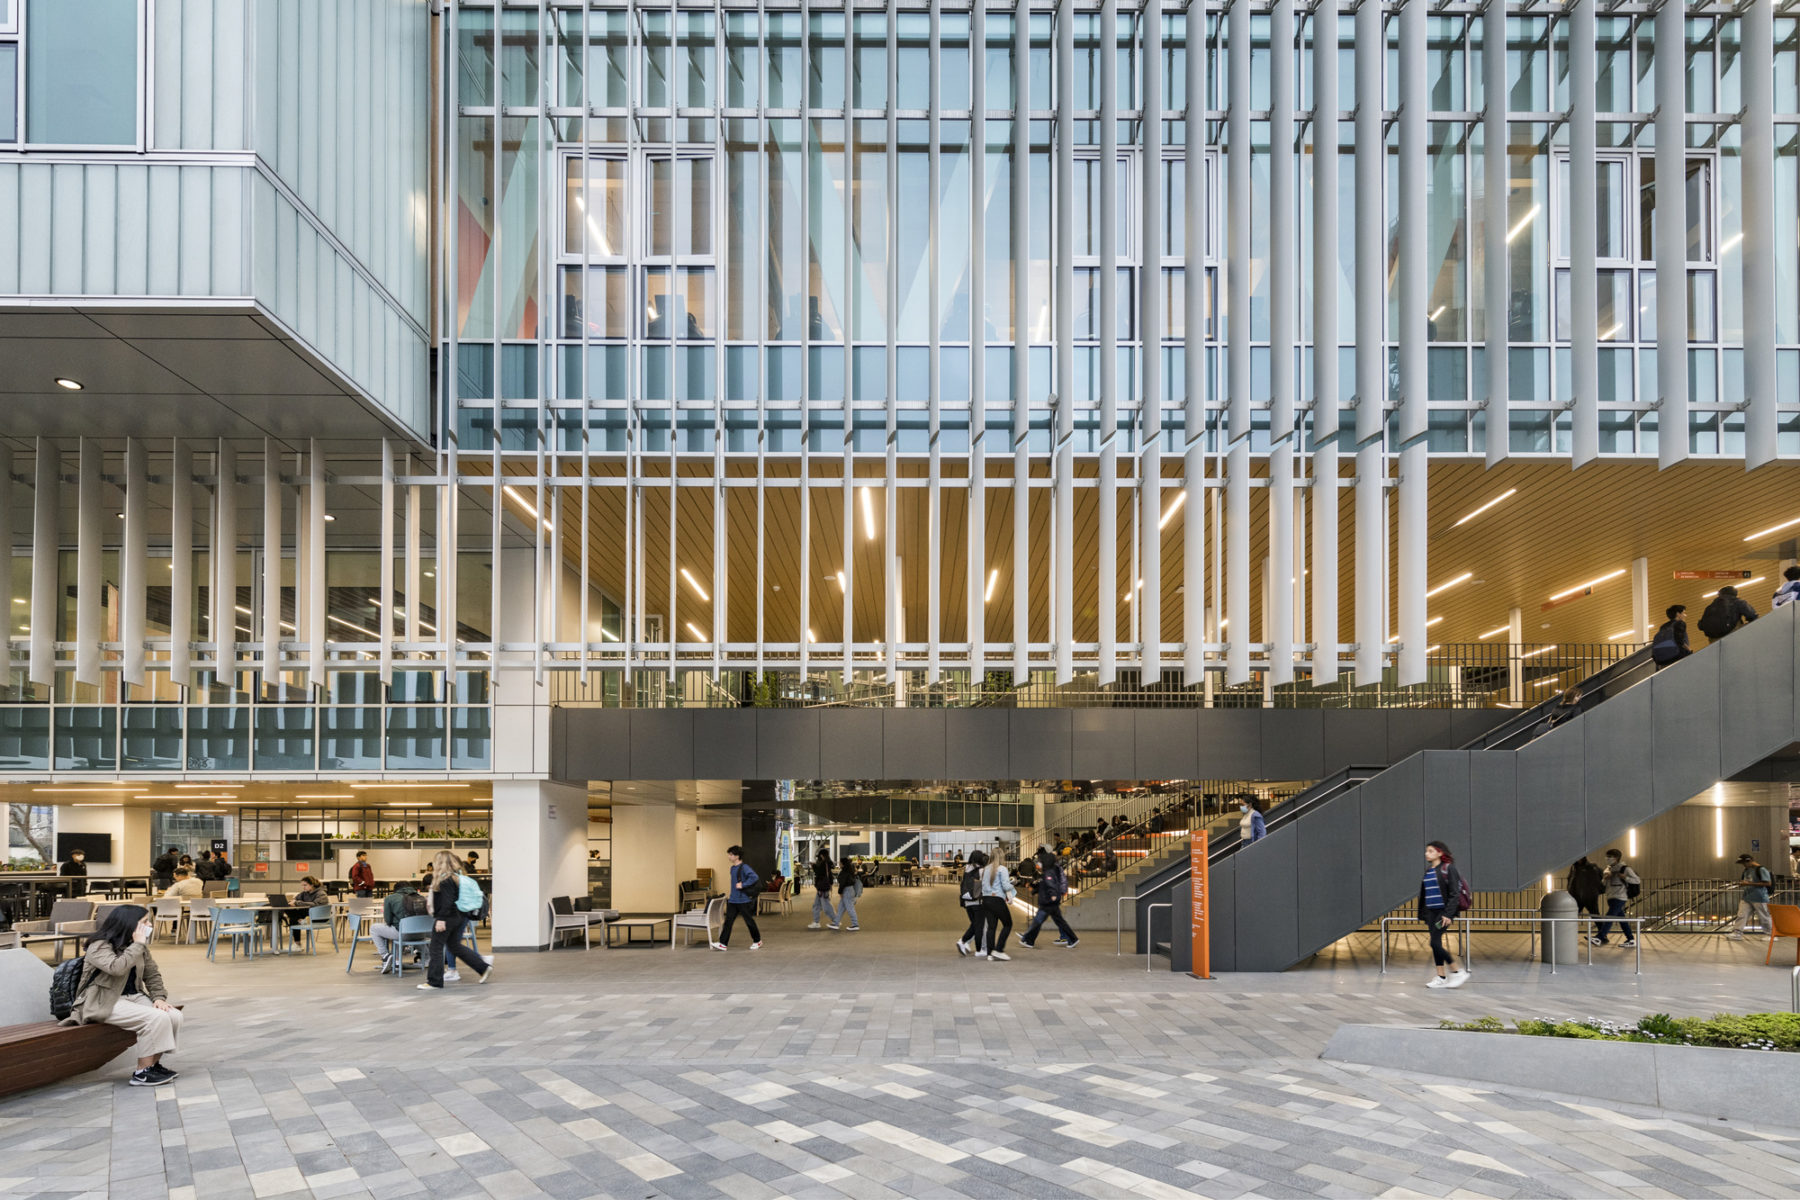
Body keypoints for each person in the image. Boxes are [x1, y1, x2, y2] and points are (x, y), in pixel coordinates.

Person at [61, 905, 184, 1087]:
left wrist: (159, 998)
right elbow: (117, 968)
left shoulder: (137, 946)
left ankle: (153, 1065)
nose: (149, 925)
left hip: (133, 996)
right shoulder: (99, 946)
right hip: (102, 1001)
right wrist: (138, 944)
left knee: (173, 1015)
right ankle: (142, 1073)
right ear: (129, 924)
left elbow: (152, 974)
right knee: (156, 1018)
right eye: (144, 922)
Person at [417, 851, 493, 990]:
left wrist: (441, 919)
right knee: (454, 945)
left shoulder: (445, 880)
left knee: (436, 947)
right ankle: (483, 967)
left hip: (447, 917)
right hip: (460, 916)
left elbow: (447, 901)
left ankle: (434, 981)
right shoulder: (457, 878)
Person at [1419, 842, 1467, 987]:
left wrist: (1448, 914)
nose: (1427, 853)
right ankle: (1441, 977)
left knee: (1433, 942)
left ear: (1440, 853)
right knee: (1436, 944)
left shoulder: (1448, 868)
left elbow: (1454, 893)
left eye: (1430, 851)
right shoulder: (1428, 871)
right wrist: (1424, 913)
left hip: (1443, 912)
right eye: (1426, 851)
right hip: (1431, 912)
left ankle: (1457, 972)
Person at [1017, 847, 1079, 950]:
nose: (1039, 863)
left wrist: (1053, 895)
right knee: (1057, 921)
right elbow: (1044, 884)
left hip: (1048, 902)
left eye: (1041, 861)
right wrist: (1035, 890)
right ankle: (1073, 939)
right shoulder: (1049, 871)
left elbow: (1051, 885)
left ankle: (1028, 939)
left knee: (1038, 921)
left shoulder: (1049, 873)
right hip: (1049, 901)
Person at [712, 845, 763, 951]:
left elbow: (754, 877)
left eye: (731, 855)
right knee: (728, 922)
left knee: (749, 921)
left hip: (743, 900)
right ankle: (723, 943)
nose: (729, 857)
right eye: (729, 854)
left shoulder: (744, 867)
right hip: (733, 900)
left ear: (737, 856)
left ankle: (757, 941)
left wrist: (743, 884)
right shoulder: (732, 868)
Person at [371, 880, 427, 970]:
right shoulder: (421, 897)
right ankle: (398, 961)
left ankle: (385, 956)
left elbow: (388, 921)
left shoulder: (390, 898)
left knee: (374, 928)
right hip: (422, 934)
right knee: (401, 929)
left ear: (396, 890)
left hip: (403, 934)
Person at [1591, 848, 1640, 947]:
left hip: (1620, 897)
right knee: (1622, 919)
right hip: (1610, 897)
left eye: (1610, 857)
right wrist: (1605, 878)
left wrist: (1624, 877)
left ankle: (1599, 937)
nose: (1607, 858)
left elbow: (1637, 880)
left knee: (1609, 917)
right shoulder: (1607, 869)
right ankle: (1631, 939)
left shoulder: (1625, 869)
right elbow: (1603, 884)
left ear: (1616, 858)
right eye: (1607, 856)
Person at [1725, 852, 1774, 941]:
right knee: (1741, 915)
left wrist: (1749, 883)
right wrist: (1742, 884)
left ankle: (1770, 934)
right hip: (1747, 897)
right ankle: (1737, 933)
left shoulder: (1761, 869)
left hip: (1759, 897)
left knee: (1764, 916)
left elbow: (1768, 883)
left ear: (1750, 861)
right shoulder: (1746, 870)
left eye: (1744, 863)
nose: (1743, 865)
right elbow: (1746, 881)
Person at [977, 853, 1017, 962]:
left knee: (991, 926)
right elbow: (1005, 885)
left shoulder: (985, 869)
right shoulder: (1002, 869)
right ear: (1001, 857)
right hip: (997, 899)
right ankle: (999, 950)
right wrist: (1014, 883)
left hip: (986, 900)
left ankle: (990, 953)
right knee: (1008, 924)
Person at [955, 851, 987, 955]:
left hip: (967, 901)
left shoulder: (966, 868)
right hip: (977, 901)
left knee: (974, 924)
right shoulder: (982, 871)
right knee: (979, 926)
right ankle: (977, 949)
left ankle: (963, 942)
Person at [287, 876, 330, 946]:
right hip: (309, 914)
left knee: (294, 918)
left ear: (312, 884)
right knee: (292, 915)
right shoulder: (304, 893)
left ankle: (297, 943)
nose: (303, 887)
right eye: (302, 885)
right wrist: (291, 902)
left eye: (305, 885)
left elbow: (315, 904)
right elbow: (296, 899)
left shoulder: (321, 893)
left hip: (320, 917)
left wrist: (297, 903)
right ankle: (297, 942)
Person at [1649, 604, 1692, 668]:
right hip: (1678, 656)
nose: (1685, 615)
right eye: (1684, 613)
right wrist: (1689, 650)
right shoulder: (1680, 623)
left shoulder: (1663, 627)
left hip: (1663, 660)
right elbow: (1680, 640)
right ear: (1678, 614)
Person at [807, 847, 838, 930]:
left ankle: (836, 921)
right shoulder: (828, 863)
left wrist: (813, 866)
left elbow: (819, 872)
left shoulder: (824, 863)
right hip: (823, 887)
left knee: (826, 906)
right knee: (816, 905)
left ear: (822, 855)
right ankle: (816, 922)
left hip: (822, 888)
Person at [836, 855, 863, 931]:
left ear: (843, 864)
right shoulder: (849, 870)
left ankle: (855, 924)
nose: (839, 864)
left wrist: (840, 892)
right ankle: (836, 923)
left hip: (847, 891)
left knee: (850, 908)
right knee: (841, 907)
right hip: (849, 890)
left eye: (840, 863)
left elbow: (842, 883)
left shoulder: (844, 872)